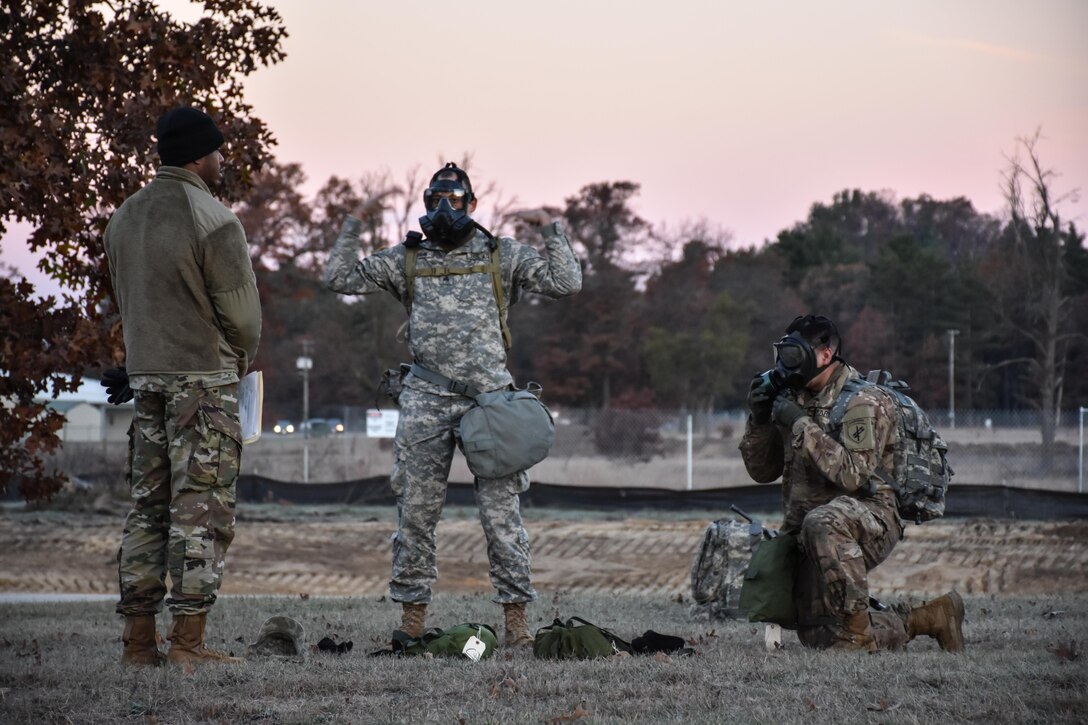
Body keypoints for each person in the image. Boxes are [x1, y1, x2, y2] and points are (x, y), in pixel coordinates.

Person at [324, 162, 582, 646]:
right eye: (434, 200)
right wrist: (355, 221)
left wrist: (550, 227)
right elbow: (339, 278)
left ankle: (516, 625)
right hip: (425, 397)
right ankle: (412, 622)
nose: (444, 209)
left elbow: (567, 283)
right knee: (416, 515)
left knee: (502, 518)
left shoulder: (501, 254)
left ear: (472, 205)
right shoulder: (409, 258)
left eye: (455, 200)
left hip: (490, 404)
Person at [103, 106, 261, 666]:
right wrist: (236, 361)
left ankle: (138, 644)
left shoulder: (122, 218)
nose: (222, 160)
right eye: (217, 151)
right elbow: (242, 319)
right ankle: (189, 645)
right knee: (201, 511)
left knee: (148, 509)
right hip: (203, 386)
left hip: (145, 382)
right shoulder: (215, 219)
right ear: (199, 155)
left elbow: (129, 303)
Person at [739, 315, 964, 652]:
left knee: (823, 523)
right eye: (783, 354)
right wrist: (759, 420)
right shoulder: (792, 400)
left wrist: (801, 426)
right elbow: (761, 471)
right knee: (820, 636)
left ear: (825, 354)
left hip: (870, 519)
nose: (787, 365)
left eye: (795, 354)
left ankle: (858, 638)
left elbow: (853, 474)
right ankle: (929, 618)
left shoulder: (864, 402)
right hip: (807, 529)